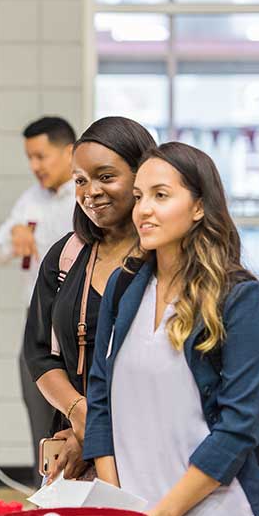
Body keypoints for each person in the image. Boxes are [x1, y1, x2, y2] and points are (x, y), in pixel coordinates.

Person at [84, 142, 259, 516]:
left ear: (198, 207)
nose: (143, 211)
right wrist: (117, 503)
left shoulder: (238, 298)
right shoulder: (124, 288)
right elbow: (100, 397)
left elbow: (239, 427)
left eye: (161, 195)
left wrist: (164, 514)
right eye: (138, 197)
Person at [23, 116, 156, 482]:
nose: (90, 191)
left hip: (150, 446)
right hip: (72, 438)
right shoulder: (65, 256)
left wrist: (97, 433)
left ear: (141, 177)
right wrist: (80, 414)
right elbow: (39, 352)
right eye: (80, 180)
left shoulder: (165, 260)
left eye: (106, 177)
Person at [0, 116, 77, 470]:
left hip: (77, 324)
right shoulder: (30, 200)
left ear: (68, 152)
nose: (35, 166)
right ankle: (43, 493)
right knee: (40, 417)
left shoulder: (85, 198)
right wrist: (12, 239)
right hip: (37, 323)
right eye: (30, 158)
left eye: (41, 156)